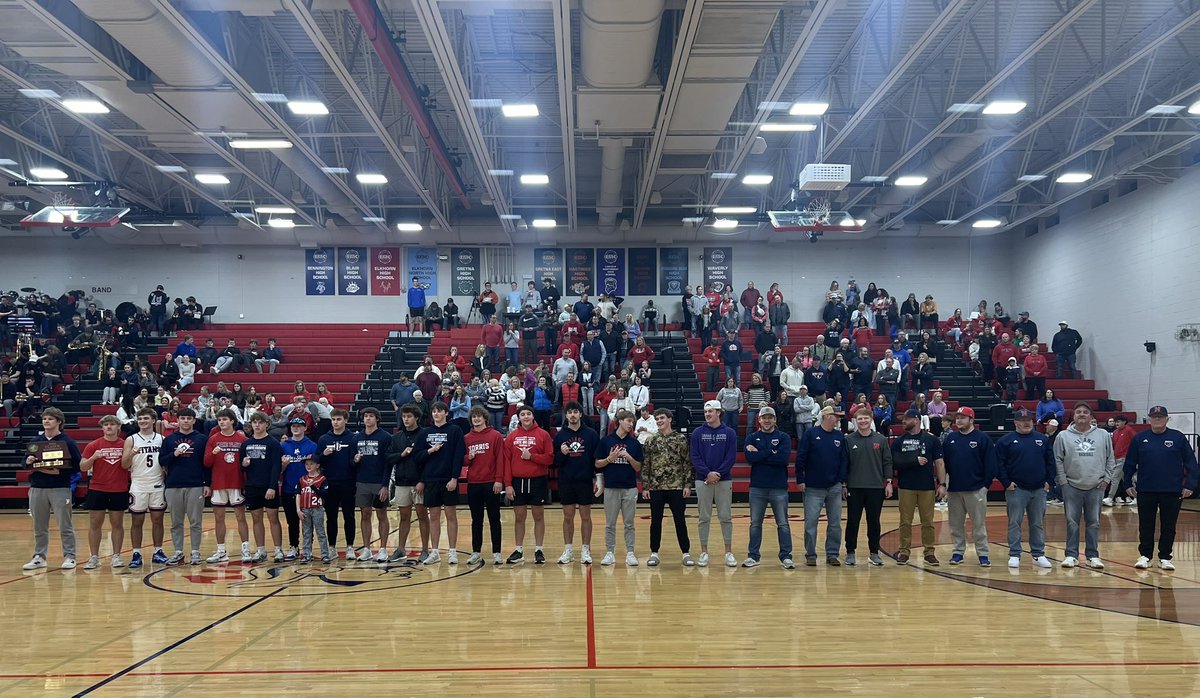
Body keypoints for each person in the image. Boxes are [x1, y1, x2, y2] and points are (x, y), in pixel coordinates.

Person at [1124, 405, 1199, 570]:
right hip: (1146, 490)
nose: (1157, 419)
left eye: (1160, 416)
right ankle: (1145, 555)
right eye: (1154, 416)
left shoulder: (1178, 438)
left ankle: (1165, 556)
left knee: (1169, 525)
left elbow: (1191, 463)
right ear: (1149, 419)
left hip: (1172, 490)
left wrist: (1190, 484)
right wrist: (1127, 483)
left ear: (1167, 419)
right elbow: (1129, 463)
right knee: (1146, 524)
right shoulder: (1139, 438)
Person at [1054, 402, 1117, 569]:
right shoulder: (1063, 436)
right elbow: (1057, 459)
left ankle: (1092, 555)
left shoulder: (1103, 434)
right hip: (1071, 485)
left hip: (1096, 485)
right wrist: (1063, 481)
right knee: (1071, 522)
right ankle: (1071, 555)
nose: (1081, 414)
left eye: (1085, 412)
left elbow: (1111, 458)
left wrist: (1106, 479)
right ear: (1073, 416)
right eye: (1078, 412)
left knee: (1094, 522)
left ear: (1091, 416)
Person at [992, 408, 1054, 570]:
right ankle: (1014, 554)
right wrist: (1006, 482)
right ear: (1016, 422)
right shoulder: (1005, 441)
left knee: (1037, 523)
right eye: (1022, 420)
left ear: (1033, 422)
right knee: (1014, 522)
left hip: (1039, 488)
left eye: (1029, 420)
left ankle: (1039, 553)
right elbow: (999, 464)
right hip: (1016, 489)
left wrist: (1049, 481)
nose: (1026, 423)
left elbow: (1050, 461)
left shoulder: (1042, 439)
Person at [22, 408, 81, 570]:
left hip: (60, 488)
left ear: (59, 422)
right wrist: (28, 460)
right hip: (37, 488)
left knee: (65, 525)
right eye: (44, 419)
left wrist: (59, 471)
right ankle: (39, 556)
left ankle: (70, 556)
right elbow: (24, 464)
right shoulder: (36, 441)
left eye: (50, 419)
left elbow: (77, 465)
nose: (46, 421)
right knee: (39, 526)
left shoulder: (68, 442)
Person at [638, 408, 693, 567]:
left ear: (669, 419)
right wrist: (645, 486)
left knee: (679, 520)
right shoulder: (650, 440)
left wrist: (687, 484)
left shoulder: (680, 439)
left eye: (662, 418)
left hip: (676, 486)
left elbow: (686, 463)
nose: (659, 421)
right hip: (656, 487)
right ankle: (654, 553)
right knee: (655, 521)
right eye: (657, 419)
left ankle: (686, 553)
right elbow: (646, 464)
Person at [941, 407, 996, 567]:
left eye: (963, 417)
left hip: (976, 489)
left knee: (979, 524)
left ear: (971, 420)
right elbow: (944, 464)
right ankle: (958, 552)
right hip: (955, 490)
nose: (959, 420)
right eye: (957, 417)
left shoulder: (982, 438)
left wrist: (986, 485)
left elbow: (991, 464)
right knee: (955, 524)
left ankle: (983, 554)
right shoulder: (950, 439)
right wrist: (944, 483)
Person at [890, 408, 945, 565]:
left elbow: (939, 463)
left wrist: (942, 484)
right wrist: (913, 460)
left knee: (928, 521)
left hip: (926, 486)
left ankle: (929, 552)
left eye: (906, 419)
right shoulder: (899, 441)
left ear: (916, 419)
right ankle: (904, 551)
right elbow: (894, 462)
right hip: (906, 486)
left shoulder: (931, 440)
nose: (903, 422)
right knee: (905, 521)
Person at [794, 405, 848, 566]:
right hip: (813, 486)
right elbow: (801, 456)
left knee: (835, 523)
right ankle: (810, 554)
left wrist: (841, 480)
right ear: (826, 416)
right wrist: (800, 479)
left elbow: (843, 460)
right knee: (811, 522)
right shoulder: (811, 434)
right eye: (835, 416)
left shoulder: (840, 436)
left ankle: (832, 554)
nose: (838, 419)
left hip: (834, 486)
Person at [741, 406, 793, 568]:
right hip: (757, 487)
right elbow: (750, 458)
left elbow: (783, 459)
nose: (767, 420)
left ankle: (786, 556)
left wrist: (761, 453)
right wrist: (772, 452)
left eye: (770, 417)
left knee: (783, 523)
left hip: (779, 487)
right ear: (759, 420)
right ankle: (753, 556)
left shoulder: (784, 437)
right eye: (764, 417)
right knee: (755, 523)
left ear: (775, 419)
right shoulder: (751, 437)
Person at [414, 402, 465, 564]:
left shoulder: (455, 430)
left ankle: (452, 551)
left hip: (448, 479)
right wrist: (430, 451)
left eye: (439, 411)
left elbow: (458, 456)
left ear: (446, 413)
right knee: (434, 517)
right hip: (431, 480)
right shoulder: (425, 433)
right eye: (434, 411)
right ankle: (434, 551)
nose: (436, 414)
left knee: (451, 516)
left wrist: (454, 478)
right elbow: (418, 457)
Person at [842, 409, 893, 567]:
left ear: (871, 419)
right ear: (855, 420)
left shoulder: (881, 439)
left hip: (875, 487)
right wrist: (844, 484)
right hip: (854, 487)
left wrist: (889, 482)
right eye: (860, 418)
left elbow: (887, 461)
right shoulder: (849, 440)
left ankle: (874, 553)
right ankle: (850, 552)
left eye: (865, 418)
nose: (863, 421)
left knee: (874, 522)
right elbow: (845, 464)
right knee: (853, 521)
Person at [690, 399, 737, 567]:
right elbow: (694, 457)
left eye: (710, 411)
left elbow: (731, 458)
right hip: (702, 480)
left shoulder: (730, 433)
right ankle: (704, 552)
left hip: (724, 480)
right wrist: (707, 473)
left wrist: (717, 474)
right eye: (705, 412)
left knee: (726, 517)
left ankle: (728, 552)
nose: (707, 414)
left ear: (719, 413)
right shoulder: (697, 433)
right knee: (704, 518)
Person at [503, 405, 554, 563]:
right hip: (517, 481)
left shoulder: (543, 435)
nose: (525, 417)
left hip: (538, 480)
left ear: (533, 416)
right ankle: (519, 550)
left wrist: (532, 456)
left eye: (528, 414)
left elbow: (550, 459)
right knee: (519, 517)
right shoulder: (511, 437)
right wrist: (508, 484)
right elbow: (506, 462)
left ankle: (539, 550)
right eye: (522, 414)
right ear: (518, 418)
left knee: (538, 516)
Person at [79, 415, 129, 569]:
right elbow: (83, 467)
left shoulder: (125, 444)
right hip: (97, 488)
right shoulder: (93, 445)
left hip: (119, 488)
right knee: (95, 523)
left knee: (117, 524)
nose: (109, 427)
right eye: (106, 425)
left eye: (112, 424)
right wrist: (93, 458)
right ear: (102, 428)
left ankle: (116, 556)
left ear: (118, 427)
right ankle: (94, 557)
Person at [159, 408, 208, 565]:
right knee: (176, 522)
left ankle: (195, 552)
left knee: (195, 522)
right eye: (183, 418)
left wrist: (207, 483)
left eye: (189, 418)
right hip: (173, 485)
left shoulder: (202, 439)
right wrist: (174, 454)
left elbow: (207, 464)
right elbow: (162, 461)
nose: (186, 421)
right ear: (178, 420)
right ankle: (178, 552)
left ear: (194, 420)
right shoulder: (169, 440)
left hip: (195, 485)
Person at [595, 409, 644, 566]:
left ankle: (630, 552)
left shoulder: (634, 443)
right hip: (611, 488)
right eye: (629, 421)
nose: (631, 424)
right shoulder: (606, 441)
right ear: (620, 421)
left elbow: (638, 468)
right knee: (610, 523)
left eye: (632, 422)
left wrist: (629, 457)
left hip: (630, 487)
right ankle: (610, 552)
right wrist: (610, 458)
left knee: (629, 523)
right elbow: (597, 464)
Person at [385, 404, 431, 563]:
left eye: (409, 416)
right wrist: (401, 454)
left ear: (416, 417)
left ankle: (425, 550)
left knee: (422, 516)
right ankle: (401, 549)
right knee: (403, 517)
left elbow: (429, 461)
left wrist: (422, 481)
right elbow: (389, 457)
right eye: (404, 416)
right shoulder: (397, 437)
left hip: (418, 483)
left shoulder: (424, 435)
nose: (406, 419)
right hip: (401, 482)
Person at [203, 408, 251, 562]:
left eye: (224, 419)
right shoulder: (213, 439)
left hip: (236, 482)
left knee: (240, 517)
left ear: (232, 421)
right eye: (220, 420)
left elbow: (247, 463)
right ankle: (221, 551)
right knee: (219, 518)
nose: (222, 422)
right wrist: (213, 453)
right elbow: (206, 462)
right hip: (218, 483)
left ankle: (246, 550)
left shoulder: (242, 439)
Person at [463, 405, 508, 565]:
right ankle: (476, 552)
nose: (476, 419)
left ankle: (497, 552)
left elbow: (500, 460)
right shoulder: (467, 437)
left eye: (479, 416)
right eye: (474, 417)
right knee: (476, 520)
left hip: (491, 482)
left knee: (494, 519)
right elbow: (463, 460)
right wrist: (469, 457)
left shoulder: (495, 436)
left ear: (484, 418)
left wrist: (498, 480)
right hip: (474, 483)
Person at [123, 408, 167, 568]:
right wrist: (131, 455)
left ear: (153, 420)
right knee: (137, 520)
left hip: (157, 484)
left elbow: (166, 463)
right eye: (140, 419)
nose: (142, 421)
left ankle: (158, 551)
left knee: (158, 520)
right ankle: (136, 553)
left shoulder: (162, 439)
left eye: (146, 418)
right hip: (138, 484)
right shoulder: (131, 439)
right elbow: (124, 464)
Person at [240, 412, 284, 562]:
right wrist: (244, 465)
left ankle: (278, 550)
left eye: (260, 422)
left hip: (268, 486)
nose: (257, 425)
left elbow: (276, 467)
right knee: (256, 518)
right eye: (254, 422)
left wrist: (272, 487)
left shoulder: (273, 443)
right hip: (252, 486)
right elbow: (242, 466)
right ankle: (261, 550)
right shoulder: (246, 443)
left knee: (273, 518)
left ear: (267, 424)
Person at [351, 408, 392, 562]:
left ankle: (382, 549)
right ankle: (366, 549)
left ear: (377, 419)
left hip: (378, 482)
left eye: (371, 416)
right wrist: (355, 460)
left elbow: (388, 464)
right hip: (362, 482)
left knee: (382, 514)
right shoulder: (356, 439)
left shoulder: (385, 437)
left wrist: (385, 485)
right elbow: (351, 462)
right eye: (365, 416)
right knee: (365, 514)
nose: (367, 419)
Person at [318, 408, 358, 561]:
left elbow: (354, 463)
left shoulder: (353, 438)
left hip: (348, 482)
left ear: (345, 421)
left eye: (339, 419)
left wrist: (355, 461)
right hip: (330, 483)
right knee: (331, 517)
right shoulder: (323, 439)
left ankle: (350, 547)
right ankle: (332, 547)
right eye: (333, 419)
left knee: (349, 516)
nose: (336, 422)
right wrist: (323, 454)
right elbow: (316, 460)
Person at [280, 417, 317, 560]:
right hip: (289, 488)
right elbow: (279, 470)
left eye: (298, 426)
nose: (295, 428)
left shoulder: (312, 445)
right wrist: (284, 465)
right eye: (293, 426)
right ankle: (293, 547)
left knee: (307, 521)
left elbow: (316, 469)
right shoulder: (284, 445)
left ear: (304, 428)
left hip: (307, 489)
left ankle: (307, 548)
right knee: (292, 521)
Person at [297, 456, 332, 563]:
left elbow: (325, 494)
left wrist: (313, 487)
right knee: (306, 533)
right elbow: (298, 494)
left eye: (311, 464)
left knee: (320, 532)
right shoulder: (302, 479)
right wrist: (298, 510)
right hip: (305, 509)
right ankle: (307, 554)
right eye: (307, 464)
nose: (308, 466)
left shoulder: (322, 479)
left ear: (317, 465)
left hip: (317, 509)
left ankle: (325, 555)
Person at [1105, 414, 1137, 506]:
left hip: (1124, 458)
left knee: (1115, 478)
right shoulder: (1115, 432)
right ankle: (1136, 497)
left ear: (1124, 422)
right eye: (1115, 422)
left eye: (1118, 421)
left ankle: (1110, 498)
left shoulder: (1129, 430)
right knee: (1127, 479)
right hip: (1117, 458)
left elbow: (1136, 441)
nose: (1116, 423)